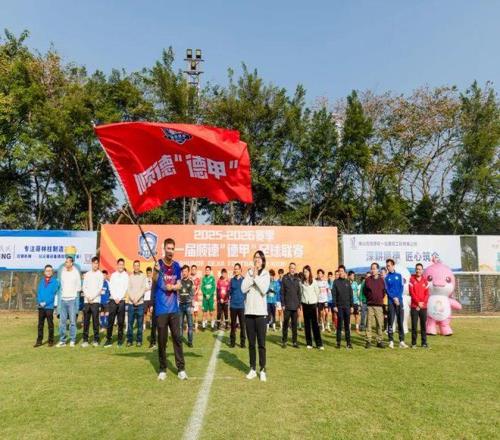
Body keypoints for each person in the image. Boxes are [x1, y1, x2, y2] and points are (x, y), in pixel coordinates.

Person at [154, 238, 187, 380]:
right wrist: (156, 271)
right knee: (162, 341)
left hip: (174, 309)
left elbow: (179, 284)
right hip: (161, 309)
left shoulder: (176, 266)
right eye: (168, 248)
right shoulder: (158, 264)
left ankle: (181, 369)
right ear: (164, 249)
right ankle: (162, 369)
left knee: (177, 339)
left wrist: (172, 287)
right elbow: (155, 279)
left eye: (172, 249)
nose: (170, 251)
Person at [242, 250, 270, 381]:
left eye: (259, 258)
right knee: (251, 343)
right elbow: (243, 288)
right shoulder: (248, 272)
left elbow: (264, 289)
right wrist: (252, 276)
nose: (257, 259)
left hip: (261, 314)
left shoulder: (265, 274)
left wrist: (256, 277)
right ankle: (252, 368)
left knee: (261, 344)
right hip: (249, 313)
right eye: (255, 257)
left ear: (263, 261)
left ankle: (262, 369)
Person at [56, 256, 81, 347]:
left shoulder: (76, 272)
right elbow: (61, 285)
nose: (66, 263)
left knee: (72, 322)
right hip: (63, 300)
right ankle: (62, 341)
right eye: (65, 262)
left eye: (67, 262)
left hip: (72, 300)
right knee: (62, 322)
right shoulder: (63, 272)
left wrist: (73, 295)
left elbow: (79, 286)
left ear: (71, 263)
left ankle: (72, 340)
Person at [104, 258, 128, 348]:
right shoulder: (113, 275)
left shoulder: (126, 276)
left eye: (122, 264)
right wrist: (115, 298)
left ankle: (120, 340)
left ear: (124, 266)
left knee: (121, 322)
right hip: (113, 300)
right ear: (117, 265)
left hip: (121, 300)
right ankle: (108, 339)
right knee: (110, 320)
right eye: (119, 264)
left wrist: (120, 298)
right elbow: (111, 287)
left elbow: (126, 288)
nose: (121, 266)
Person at [34, 264, 59, 347]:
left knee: (50, 325)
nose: (48, 272)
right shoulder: (41, 281)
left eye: (50, 271)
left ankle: (51, 341)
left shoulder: (55, 282)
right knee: (40, 325)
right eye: (47, 271)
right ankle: (39, 341)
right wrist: (40, 301)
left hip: (49, 307)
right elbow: (39, 293)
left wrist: (46, 303)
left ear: (52, 272)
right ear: (44, 272)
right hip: (41, 306)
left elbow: (52, 294)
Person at [385, 258, 408, 349]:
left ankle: (401, 341)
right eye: (387, 266)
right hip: (391, 302)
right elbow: (387, 290)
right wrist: (393, 298)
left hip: (399, 302)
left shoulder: (399, 276)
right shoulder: (386, 278)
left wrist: (397, 298)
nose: (388, 267)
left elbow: (401, 288)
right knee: (390, 322)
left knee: (400, 321)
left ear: (393, 266)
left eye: (389, 266)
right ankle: (391, 341)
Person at [82, 256, 103, 347]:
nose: (95, 265)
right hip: (87, 301)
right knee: (86, 321)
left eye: (97, 263)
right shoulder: (87, 274)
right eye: (94, 263)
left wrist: (93, 298)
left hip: (95, 301)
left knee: (95, 322)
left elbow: (100, 288)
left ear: (98, 264)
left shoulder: (100, 274)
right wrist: (88, 297)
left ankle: (96, 340)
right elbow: (84, 287)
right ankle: (85, 340)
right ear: (91, 264)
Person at [300, 265, 324, 350]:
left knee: (315, 324)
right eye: (304, 272)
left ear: (309, 272)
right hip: (305, 305)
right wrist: (302, 301)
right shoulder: (301, 282)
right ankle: (309, 343)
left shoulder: (314, 281)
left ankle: (319, 344)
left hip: (313, 305)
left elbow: (317, 292)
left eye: (306, 272)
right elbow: (301, 293)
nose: (305, 273)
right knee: (307, 324)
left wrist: (314, 301)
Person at [364, 262, 386, 349]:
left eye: (374, 268)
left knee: (379, 324)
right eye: (371, 268)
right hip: (370, 305)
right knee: (369, 323)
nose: (373, 270)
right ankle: (368, 341)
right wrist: (370, 298)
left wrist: (379, 298)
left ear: (378, 270)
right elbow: (365, 291)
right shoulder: (367, 280)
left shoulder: (382, 280)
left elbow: (383, 292)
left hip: (379, 306)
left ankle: (379, 341)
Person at [409, 263, 430, 348]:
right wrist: (418, 303)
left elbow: (427, 294)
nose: (418, 270)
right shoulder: (411, 279)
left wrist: (422, 303)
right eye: (417, 269)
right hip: (414, 306)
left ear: (422, 270)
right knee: (414, 326)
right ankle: (414, 343)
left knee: (423, 326)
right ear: (415, 270)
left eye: (420, 269)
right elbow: (411, 293)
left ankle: (424, 343)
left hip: (423, 307)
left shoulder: (425, 281)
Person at [127, 260, 147, 347]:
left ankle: (139, 340)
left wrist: (137, 299)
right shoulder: (130, 277)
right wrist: (133, 299)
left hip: (140, 303)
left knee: (140, 324)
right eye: (135, 265)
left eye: (137, 265)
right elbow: (129, 289)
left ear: (139, 266)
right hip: (131, 303)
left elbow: (143, 289)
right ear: (133, 267)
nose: (136, 267)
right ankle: (129, 340)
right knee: (130, 323)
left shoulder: (143, 276)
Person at [281, 262, 301, 348]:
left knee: (294, 325)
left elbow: (299, 293)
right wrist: (283, 304)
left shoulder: (297, 279)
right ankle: (284, 341)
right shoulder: (284, 278)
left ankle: (294, 342)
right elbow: (282, 292)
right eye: (291, 268)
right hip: (287, 306)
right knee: (285, 324)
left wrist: (299, 305)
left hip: (295, 306)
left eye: (294, 268)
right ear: (289, 269)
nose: (292, 269)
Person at [333, 265, 353, 349]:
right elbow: (334, 295)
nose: (340, 272)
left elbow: (351, 295)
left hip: (347, 306)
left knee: (347, 325)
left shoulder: (348, 282)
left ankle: (348, 343)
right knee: (339, 325)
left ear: (345, 272)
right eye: (339, 271)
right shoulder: (335, 282)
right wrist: (335, 305)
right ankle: (338, 343)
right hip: (339, 307)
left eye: (342, 271)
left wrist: (352, 306)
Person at [229, 263, 246, 348]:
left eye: (237, 269)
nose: (236, 270)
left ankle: (242, 343)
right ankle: (232, 342)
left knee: (242, 325)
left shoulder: (244, 280)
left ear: (240, 270)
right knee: (233, 325)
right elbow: (230, 292)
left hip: (241, 306)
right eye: (235, 269)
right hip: (233, 306)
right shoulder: (232, 280)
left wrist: (244, 299)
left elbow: (246, 292)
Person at [179, 264, 195, 347]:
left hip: (188, 305)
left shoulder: (191, 282)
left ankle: (190, 342)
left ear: (188, 272)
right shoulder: (179, 282)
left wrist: (192, 306)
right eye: (183, 271)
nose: (184, 273)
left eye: (185, 271)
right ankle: (180, 341)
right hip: (180, 306)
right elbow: (177, 293)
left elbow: (192, 295)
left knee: (190, 325)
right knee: (180, 325)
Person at [201, 266, 216, 330]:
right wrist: (205, 294)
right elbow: (202, 288)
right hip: (205, 298)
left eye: (208, 270)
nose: (207, 271)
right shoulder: (203, 278)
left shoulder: (212, 278)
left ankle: (212, 326)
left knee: (211, 312)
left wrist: (209, 294)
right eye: (206, 270)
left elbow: (213, 287)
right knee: (204, 313)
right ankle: (203, 326)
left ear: (210, 271)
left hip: (210, 298)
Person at [190, 265, 201, 331]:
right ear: (191, 270)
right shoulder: (189, 278)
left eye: (194, 269)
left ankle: (196, 327)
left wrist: (195, 293)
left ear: (196, 270)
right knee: (189, 313)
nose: (193, 270)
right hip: (189, 299)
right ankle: (189, 327)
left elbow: (198, 288)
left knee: (196, 313)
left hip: (195, 298)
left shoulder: (198, 279)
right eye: (192, 269)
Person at [143, 267, 153, 331]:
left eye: (150, 273)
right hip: (145, 299)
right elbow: (143, 289)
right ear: (146, 273)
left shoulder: (153, 280)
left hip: (151, 299)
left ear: (151, 273)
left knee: (152, 312)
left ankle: (151, 325)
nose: (149, 274)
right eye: (148, 273)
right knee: (144, 313)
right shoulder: (144, 280)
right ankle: (144, 326)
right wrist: (146, 289)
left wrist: (151, 288)